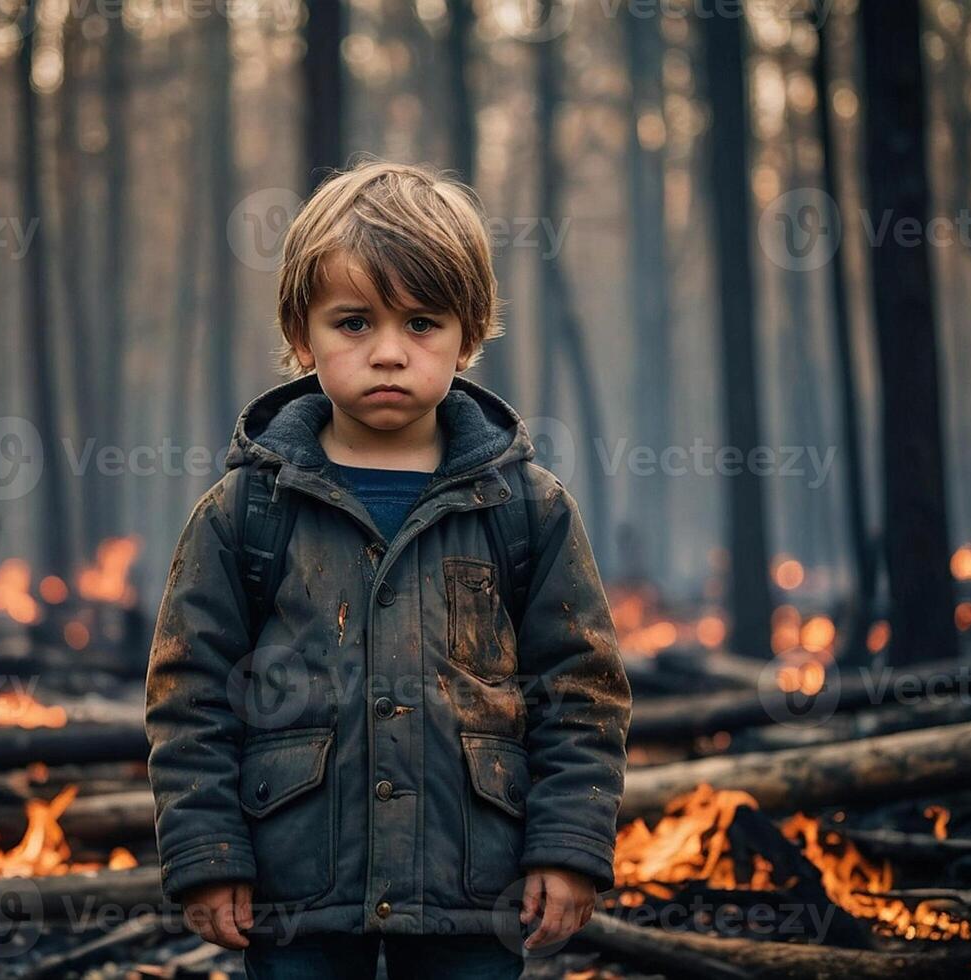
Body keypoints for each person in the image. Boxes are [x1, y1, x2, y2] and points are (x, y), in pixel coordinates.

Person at [144, 160, 632, 979]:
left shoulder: (525, 509)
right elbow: (189, 691)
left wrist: (568, 847)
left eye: (422, 323)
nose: (389, 354)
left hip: (473, 887)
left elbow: (580, 690)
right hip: (295, 886)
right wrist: (209, 850)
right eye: (354, 323)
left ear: (470, 336)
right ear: (301, 337)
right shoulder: (246, 512)